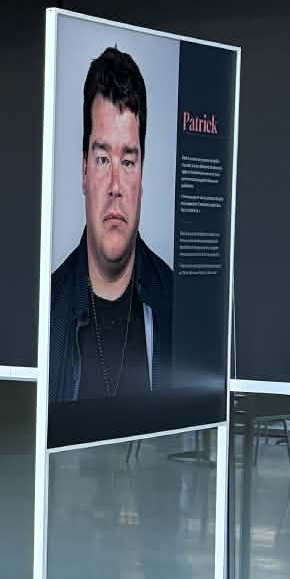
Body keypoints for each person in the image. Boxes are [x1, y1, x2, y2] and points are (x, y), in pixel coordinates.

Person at [49, 46, 172, 401]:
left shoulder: (176, 305)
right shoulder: (48, 312)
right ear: (84, 171)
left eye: (128, 161)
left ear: (142, 175)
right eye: (103, 159)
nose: (116, 186)